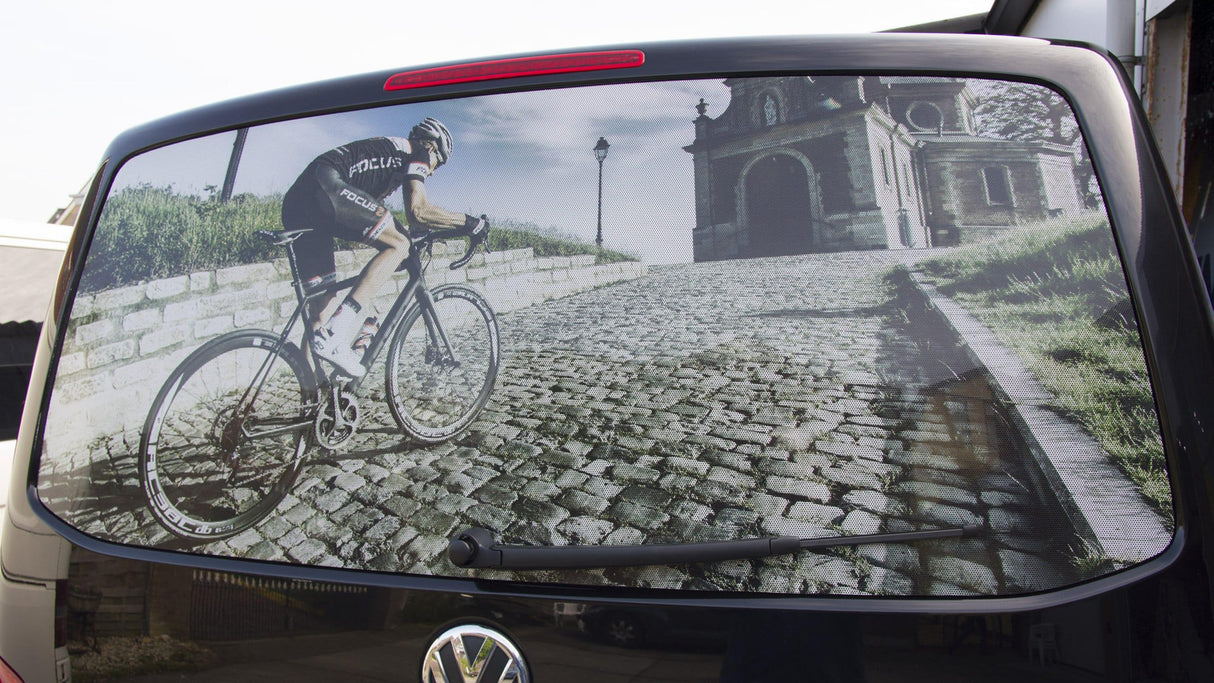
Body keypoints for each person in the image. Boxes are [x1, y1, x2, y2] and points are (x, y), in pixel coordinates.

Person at [281, 118, 488, 377]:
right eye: (439, 164)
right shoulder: (419, 152)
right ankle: (336, 333)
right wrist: (470, 223)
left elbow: (367, 216)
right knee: (398, 243)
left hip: (300, 201)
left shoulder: (387, 158)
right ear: (433, 148)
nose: (433, 172)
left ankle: (311, 401)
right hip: (326, 187)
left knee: (320, 312)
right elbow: (418, 211)